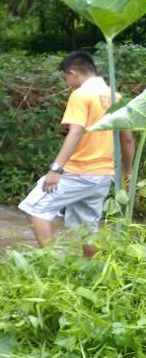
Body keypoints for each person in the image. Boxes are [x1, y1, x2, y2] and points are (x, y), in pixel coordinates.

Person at [18, 52, 134, 257]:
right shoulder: (116, 96)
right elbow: (127, 139)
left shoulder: (81, 95)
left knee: (35, 209)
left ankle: (51, 265)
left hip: (78, 171)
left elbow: (76, 131)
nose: (68, 82)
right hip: (103, 174)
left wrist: (56, 169)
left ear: (73, 73)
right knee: (88, 227)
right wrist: (128, 172)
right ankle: (93, 270)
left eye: (66, 78)